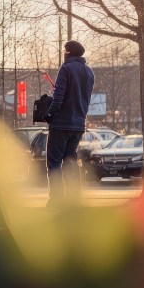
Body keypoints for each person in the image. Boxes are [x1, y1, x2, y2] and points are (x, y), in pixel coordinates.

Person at [44, 40, 95, 207]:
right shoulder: (89, 72)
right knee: (71, 162)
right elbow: (83, 98)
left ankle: (56, 201)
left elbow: (59, 98)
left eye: (65, 51)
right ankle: (74, 200)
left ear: (69, 53)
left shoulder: (66, 69)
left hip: (61, 124)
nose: (63, 53)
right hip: (78, 124)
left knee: (54, 163)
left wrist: (49, 113)